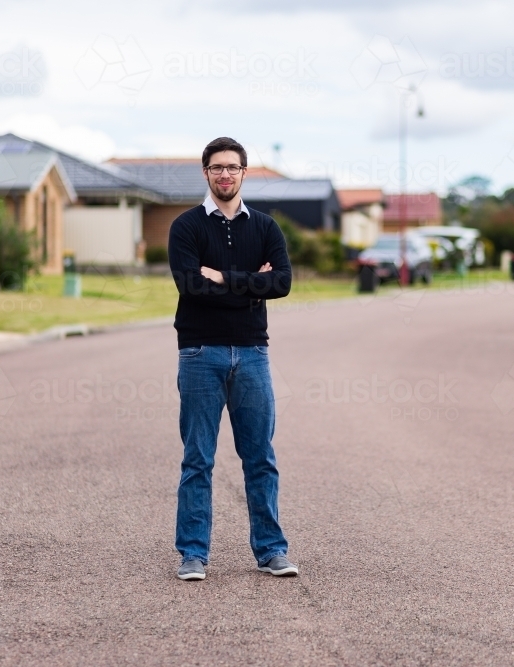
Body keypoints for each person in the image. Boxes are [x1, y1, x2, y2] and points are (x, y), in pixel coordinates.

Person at [167, 136, 297, 581]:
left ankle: (271, 551)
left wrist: (222, 276)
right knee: (198, 458)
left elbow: (281, 283)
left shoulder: (265, 228)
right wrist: (248, 285)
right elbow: (191, 287)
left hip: (253, 354)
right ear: (206, 173)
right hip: (200, 352)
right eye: (217, 168)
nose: (225, 175)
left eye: (233, 168)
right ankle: (193, 554)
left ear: (244, 173)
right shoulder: (185, 227)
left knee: (260, 456)